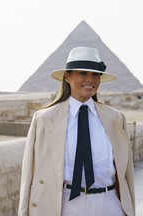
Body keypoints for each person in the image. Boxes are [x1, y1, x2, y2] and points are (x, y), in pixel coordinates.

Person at [18, 47, 135, 216]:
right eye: (83, 73)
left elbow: (127, 175)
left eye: (95, 74)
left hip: (109, 204)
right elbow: (28, 175)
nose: (90, 79)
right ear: (67, 76)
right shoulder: (44, 119)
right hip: (65, 205)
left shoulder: (116, 118)